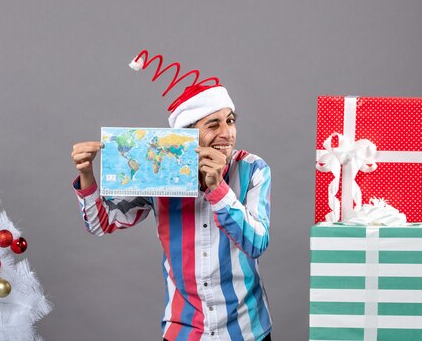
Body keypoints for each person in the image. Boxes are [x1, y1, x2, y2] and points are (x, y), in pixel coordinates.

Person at [71, 74, 272, 341]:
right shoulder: (160, 169)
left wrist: (217, 189)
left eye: (231, 121)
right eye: (213, 124)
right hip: (183, 331)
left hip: (247, 331)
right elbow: (101, 223)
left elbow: (256, 243)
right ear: (186, 135)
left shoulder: (253, 169)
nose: (227, 133)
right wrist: (87, 175)